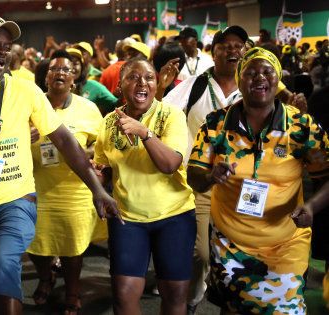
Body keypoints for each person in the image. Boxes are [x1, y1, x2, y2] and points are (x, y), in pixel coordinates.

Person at [0, 15, 117, 315]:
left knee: (6, 260)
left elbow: (65, 140)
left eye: (6, 46)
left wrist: (96, 188)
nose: (2, 51)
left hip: (16, 201)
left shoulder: (26, 90)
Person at [187, 47, 329, 314]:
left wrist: (312, 207)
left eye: (267, 72)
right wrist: (210, 176)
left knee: (285, 309)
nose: (259, 78)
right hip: (230, 243)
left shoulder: (301, 126)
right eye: (250, 72)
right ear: (239, 80)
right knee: (233, 307)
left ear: (277, 79)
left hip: (284, 243)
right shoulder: (216, 124)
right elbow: (194, 176)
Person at [93, 58, 196, 315]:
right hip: (127, 218)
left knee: (174, 295)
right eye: (133, 77)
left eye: (149, 77)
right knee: (123, 295)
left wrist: (145, 133)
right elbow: (105, 169)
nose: (142, 82)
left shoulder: (171, 115)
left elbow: (170, 163)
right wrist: (97, 178)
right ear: (120, 86)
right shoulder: (108, 122)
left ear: (155, 84)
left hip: (174, 216)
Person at [161, 25, 247, 312]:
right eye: (225, 45)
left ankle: (227, 299)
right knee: (200, 253)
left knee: (240, 253)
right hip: (198, 182)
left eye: (239, 45)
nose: (233, 50)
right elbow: (162, 110)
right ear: (214, 52)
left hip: (242, 187)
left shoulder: (254, 88)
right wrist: (160, 88)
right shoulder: (195, 84)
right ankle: (193, 298)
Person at [26, 50, 104, 314]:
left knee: (73, 246)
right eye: (54, 69)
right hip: (36, 187)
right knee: (35, 243)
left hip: (75, 190)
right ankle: (46, 277)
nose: (59, 73)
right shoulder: (31, 106)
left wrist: (88, 155)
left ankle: (72, 291)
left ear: (75, 78)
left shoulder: (88, 109)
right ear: (45, 77)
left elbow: (100, 146)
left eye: (66, 70)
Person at [67, 48, 118, 116]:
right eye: (68, 64)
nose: (71, 67)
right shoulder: (55, 90)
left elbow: (116, 105)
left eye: (75, 63)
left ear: (82, 67)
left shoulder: (94, 87)